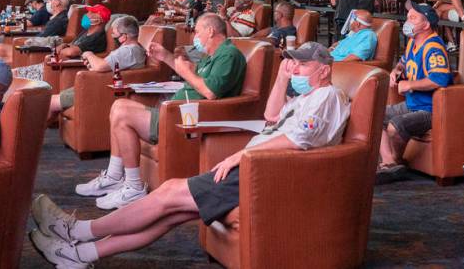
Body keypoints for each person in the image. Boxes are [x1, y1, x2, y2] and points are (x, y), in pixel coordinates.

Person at [30, 41, 348, 268]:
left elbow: (297, 139)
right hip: (260, 168)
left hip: (266, 172)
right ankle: (80, 255)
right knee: (172, 213)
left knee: (169, 193)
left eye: (303, 64)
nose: (296, 69)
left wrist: (238, 157)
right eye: (295, 63)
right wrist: (282, 77)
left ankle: (75, 232)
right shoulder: (308, 96)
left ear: (324, 69)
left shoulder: (328, 96)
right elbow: (272, 116)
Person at [74, 13, 246, 210]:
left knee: (122, 113)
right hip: (176, 111)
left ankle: (133, 187)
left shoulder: (229, 55)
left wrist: (185, 70)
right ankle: (114, 176)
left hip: (186, 117)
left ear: (211, 31)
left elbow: (210, 92)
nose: (194, 37)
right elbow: (195, 79)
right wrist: (166, 57)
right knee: (119, 106)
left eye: (198, 32)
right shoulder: (213, 56)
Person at [377, 1, 451, 182]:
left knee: (395, 126)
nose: (407, 21)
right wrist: (397, 70)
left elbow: (439, 79)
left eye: (413, 18)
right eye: (408, 16)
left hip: (429, 108)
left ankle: (395, 161)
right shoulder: (413, 42)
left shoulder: (433, 47)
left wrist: (410, 85)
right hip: (411, 103)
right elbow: (404, 61)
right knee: (373, 115)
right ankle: (390, 163)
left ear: (425, 24)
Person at [49, 16, 147, 118]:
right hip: (99, 84)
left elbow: (100, 66)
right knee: (52, 101)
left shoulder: (128, 51)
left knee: (50, 102)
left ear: (124, 37)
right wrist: (93, 65)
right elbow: (107, 67)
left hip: (98, 89)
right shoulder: (132, 49)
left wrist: (89, 54)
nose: (113, 37)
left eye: (114, 34)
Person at [13, 4, 110, 81]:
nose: (86, 15)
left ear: (99, 20)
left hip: (65, 68)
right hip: (51, 65)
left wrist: (63, 49)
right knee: (13, 73)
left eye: (91, 13)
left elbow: (71, 52)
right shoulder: (86, 32)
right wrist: (64, 47)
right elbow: (68, 46)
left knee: (14, 75)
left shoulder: (97, 37)